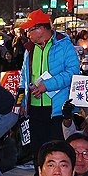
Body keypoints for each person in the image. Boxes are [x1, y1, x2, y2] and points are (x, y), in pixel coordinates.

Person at [18, 10, 77, 154]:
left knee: (57, 151)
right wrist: (21, 102)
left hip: (57, 109)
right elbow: (24, 76)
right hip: (34, 108)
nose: (28, 34)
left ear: (41, 29)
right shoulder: (29, 49)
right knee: (37, 151)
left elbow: (73, 72)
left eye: (30, 30)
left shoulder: (64, 45)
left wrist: (48, 85)